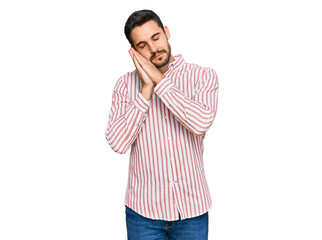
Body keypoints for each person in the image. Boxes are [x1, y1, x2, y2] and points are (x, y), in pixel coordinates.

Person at [105, 9, 219, 240]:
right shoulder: (125, 85)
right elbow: (117, 143)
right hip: (142, 214)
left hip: (192, 211)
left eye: (156, 38)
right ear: (134, 52)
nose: (153, 48)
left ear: (166, 32)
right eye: (142, 45)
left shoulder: (203, 76)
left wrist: (158, 80)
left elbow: (200, 123)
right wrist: (146, 90)